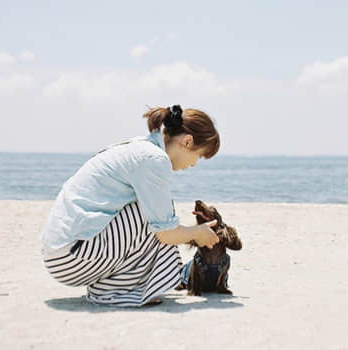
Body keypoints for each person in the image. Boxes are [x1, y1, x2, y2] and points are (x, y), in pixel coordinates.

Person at [41, 105, 220, 307]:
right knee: (159, 217)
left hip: (60, 254)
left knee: (158, 210)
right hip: (71, 257)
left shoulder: (140, 147)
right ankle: (111, 291)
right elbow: (166, 234)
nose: (194, 164)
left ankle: (123, 285)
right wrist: (198, 233)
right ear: (187, 141)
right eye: (199, 156)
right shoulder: (154, 159)